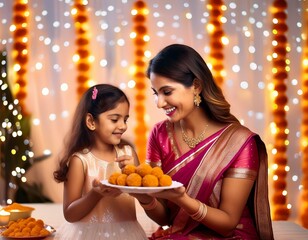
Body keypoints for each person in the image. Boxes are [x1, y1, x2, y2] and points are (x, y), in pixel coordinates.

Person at [134, 44, 274, 239]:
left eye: (167, 92)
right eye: (156, 93)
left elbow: (228, 224)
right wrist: (145, 199)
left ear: (196, 86)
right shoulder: (160, 134)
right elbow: (167, 218)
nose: (159, 103)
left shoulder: (238, 141)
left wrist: (182, 199)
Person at [53, 84, 147, 239]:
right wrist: (95, 195)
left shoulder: (128, 154)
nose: (123, 126)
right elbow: (70, 214)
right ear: (91, 121)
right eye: (115, 119)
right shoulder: (80, 161)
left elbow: (143, 193)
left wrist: (135, 175)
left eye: (125, 119)